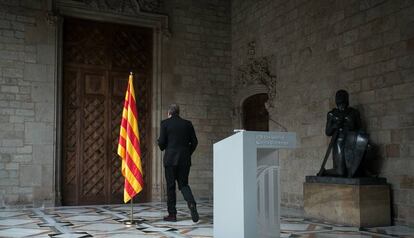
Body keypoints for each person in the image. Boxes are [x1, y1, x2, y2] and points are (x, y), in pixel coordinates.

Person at [157, 104, 199, 222]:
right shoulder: (187, 124)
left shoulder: (165, 123)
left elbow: (162, 143)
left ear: (169, 113)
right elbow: (195, 142)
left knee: (171, 187)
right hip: (184, 159)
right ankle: (191, 204)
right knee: (184, 184)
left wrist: (159, 142)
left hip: (170, 159)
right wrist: (187, 153)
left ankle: (172, 215)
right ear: (178, 112)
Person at [323, 89, 362, 177]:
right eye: (339, 98)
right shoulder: (332, 114)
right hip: (339, 142)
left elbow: (360, 129)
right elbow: (328, 132)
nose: (341, 101)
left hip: (352, 142)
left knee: (354, 170)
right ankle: (324, 172)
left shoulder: (354, 112)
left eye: (343, 98)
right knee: (341, 172)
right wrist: (335, 125)